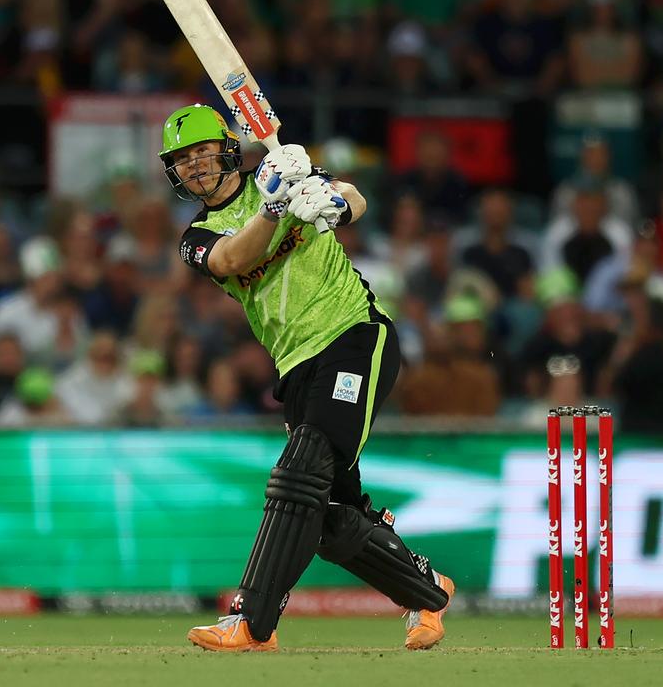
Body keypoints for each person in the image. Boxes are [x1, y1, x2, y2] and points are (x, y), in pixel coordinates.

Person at [159, 104, 453, 652]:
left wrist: (334, 201)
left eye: (202, 151)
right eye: (183, 159)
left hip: (354, 335)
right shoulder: (197, 234)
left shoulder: (283, 172)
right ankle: (427, 591)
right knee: (328, 518)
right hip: (295, 365)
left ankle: (251, 620)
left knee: (300, 469)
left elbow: (354, 199)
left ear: (226, 149)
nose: (196, 166)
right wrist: (275, 207)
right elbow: (230, 259)